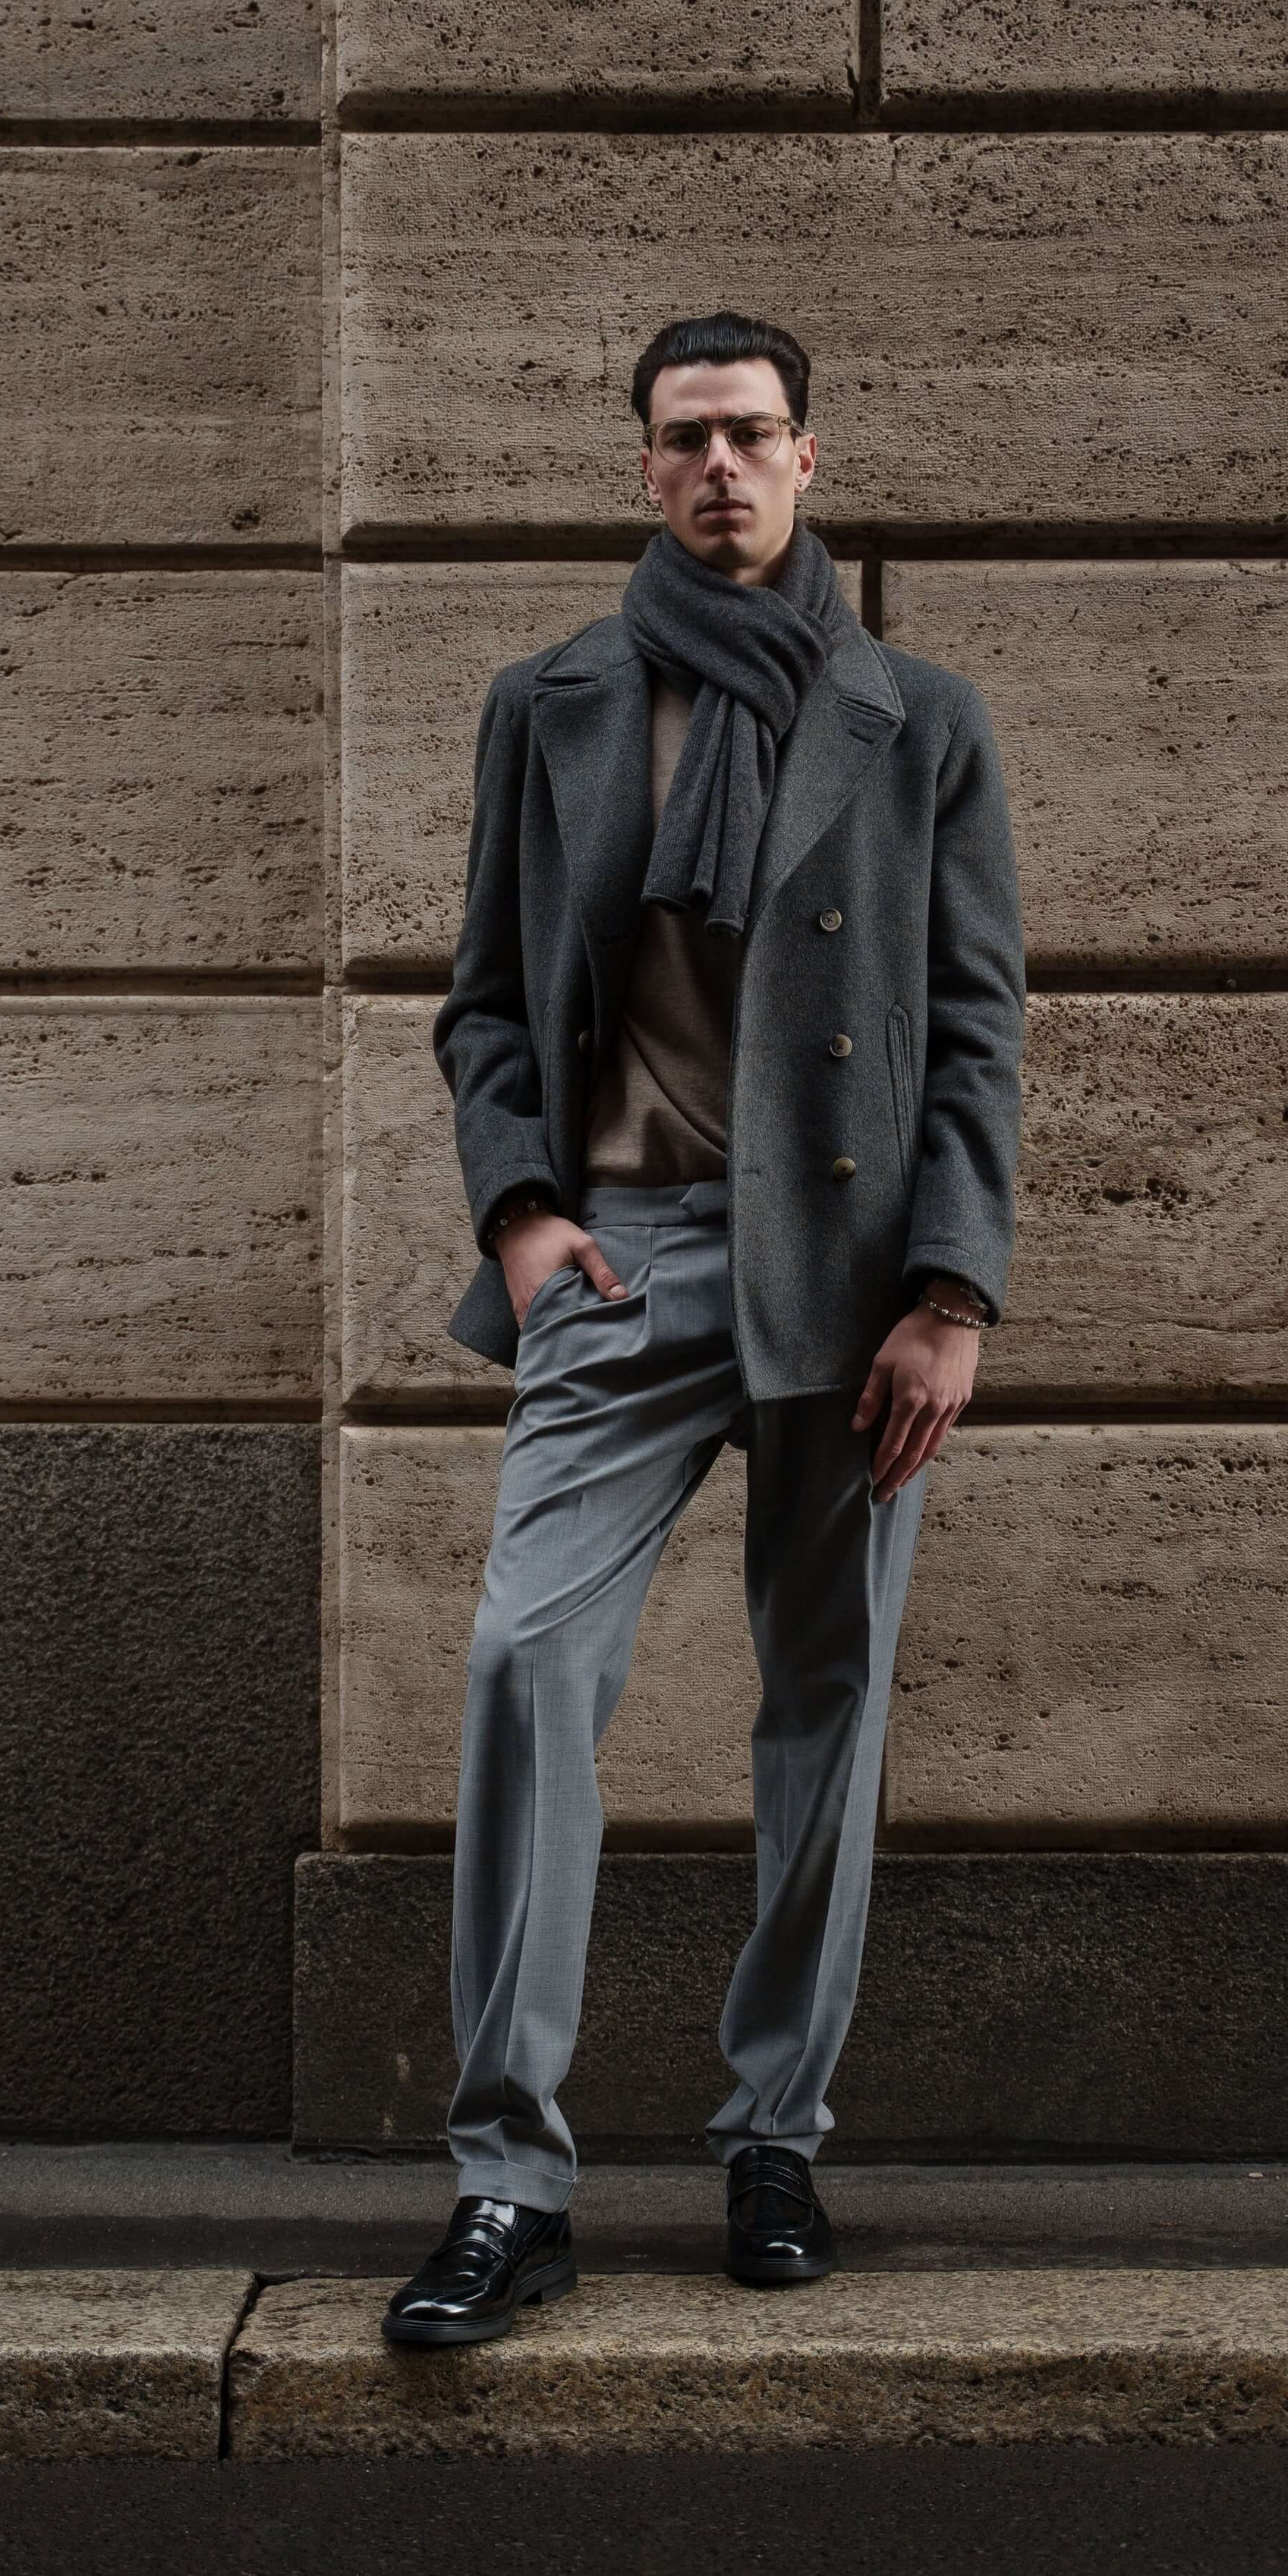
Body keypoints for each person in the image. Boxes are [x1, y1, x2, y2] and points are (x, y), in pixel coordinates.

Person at [381, 312, 1025, 2347]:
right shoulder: (555, 705)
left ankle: (773, 2135)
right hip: (624, 1259)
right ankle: (510, 2178)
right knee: (523, 1661)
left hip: (848, 1285)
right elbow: (486, 1004)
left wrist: (952, 1292)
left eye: (755, 434)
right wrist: (525, 1216)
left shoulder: (918, 719)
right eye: (687, 440)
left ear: (811, 460)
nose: (723, 468)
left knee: (821, 1709)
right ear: (645, 471)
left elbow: (979, 1025)